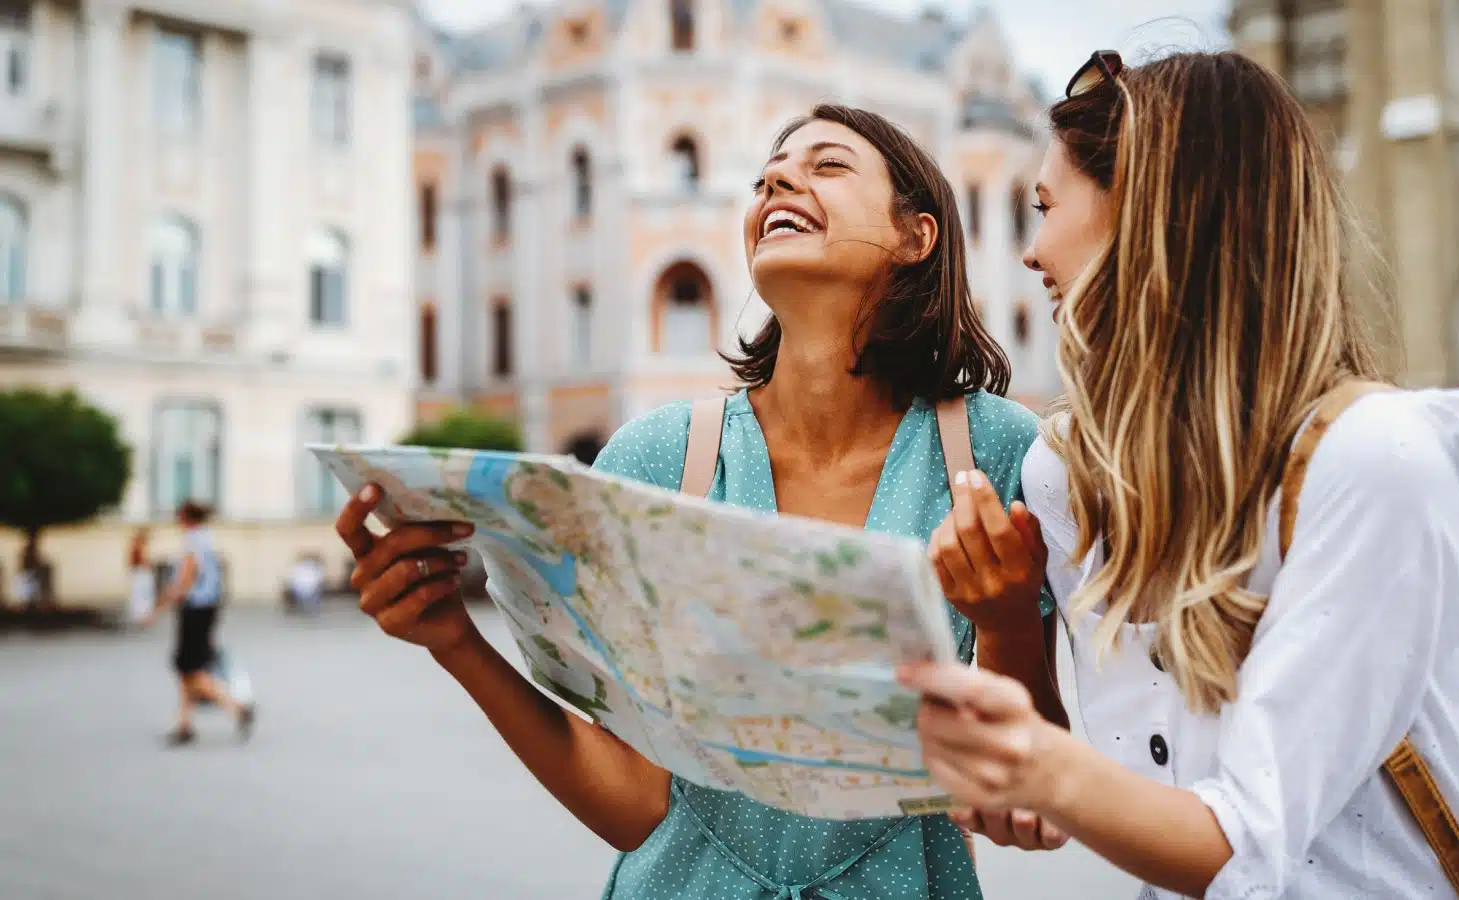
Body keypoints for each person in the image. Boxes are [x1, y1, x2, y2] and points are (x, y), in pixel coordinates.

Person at [335, 104, 1057, 899]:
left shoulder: (996, 453)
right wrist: (455, 642)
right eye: (768, 175)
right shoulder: (657, 457)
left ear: (916, 236)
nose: (778, 178)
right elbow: (637, 804)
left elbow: (1035, 788)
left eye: (827, 165)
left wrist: (1007, 618)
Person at [898, 50, 1459, 898]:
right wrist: (1004, 624)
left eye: (1045, 206)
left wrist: (1033, 763)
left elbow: (1247, 844)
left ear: (1157, 213)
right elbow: (1061, 812)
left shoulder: (1377, 458)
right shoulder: (1065, 470)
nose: (1033, 250)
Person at [142, 500, 256, 745]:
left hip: (195, 609)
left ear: (185, 517)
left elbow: (185, 580)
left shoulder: (194, 541)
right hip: (206, 607)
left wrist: (157, 608)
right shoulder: (206, 538)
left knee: (192, 669)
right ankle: (184, 724)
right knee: (186, 668)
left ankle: (237, 708)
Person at [126, 527, 155, 626]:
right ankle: (143, 617)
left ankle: (142, 616)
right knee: (143, 595)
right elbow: (144, 561)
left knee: (140, 595)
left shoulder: (135, 547)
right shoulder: (139, 547)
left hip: (139, 573)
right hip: (141, 574)